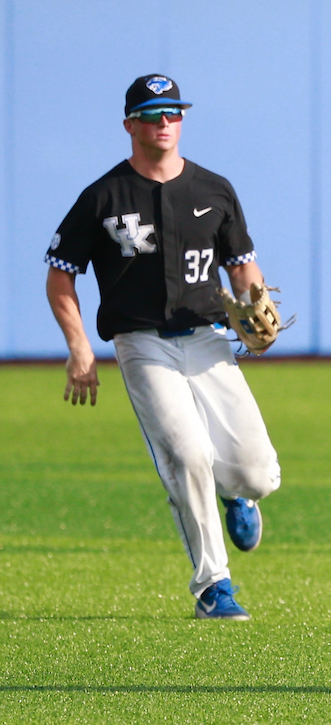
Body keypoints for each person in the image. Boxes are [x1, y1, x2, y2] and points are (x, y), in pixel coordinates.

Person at [44, 74, 281, 620]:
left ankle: (237, 494)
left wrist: (254, 299)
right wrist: (79, 347)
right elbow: (61, 276)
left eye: (173, 112)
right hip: (142, 343)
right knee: (188, 455)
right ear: (130, 125)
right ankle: (213, 587)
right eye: (152, 114)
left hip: (207, 338)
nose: (164, 122)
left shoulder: (213, 189)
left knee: (257, 472)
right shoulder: (102, 196)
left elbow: (241, 266)